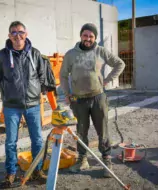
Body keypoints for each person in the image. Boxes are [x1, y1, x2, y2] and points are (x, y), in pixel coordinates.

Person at [60, 23, 125, 177]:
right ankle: (82, 160)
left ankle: (106, 160)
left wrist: (108, 79)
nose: (88, 38)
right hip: (78, 100)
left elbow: (120, 64)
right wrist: (67, 93)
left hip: (98, 97)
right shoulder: (71, 54)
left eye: (91, 36)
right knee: (81, 131)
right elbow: (63, 75)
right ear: (81, 36)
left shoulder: (100, 51)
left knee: (102, 130)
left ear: (95, 37)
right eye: (85, 35)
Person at [0, 21, 47, 187]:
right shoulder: (1, 56)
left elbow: (42, 76)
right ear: (9, 36)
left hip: (32, 105)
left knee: (37, 140)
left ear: (26, 33)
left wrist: (36, 91)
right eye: (13, 33)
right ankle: (11, 173)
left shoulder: (35, 54)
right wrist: (8, 92)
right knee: (10, 142)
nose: (17, 35)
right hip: (11, 106)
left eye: (20, 32)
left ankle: (37, 171)